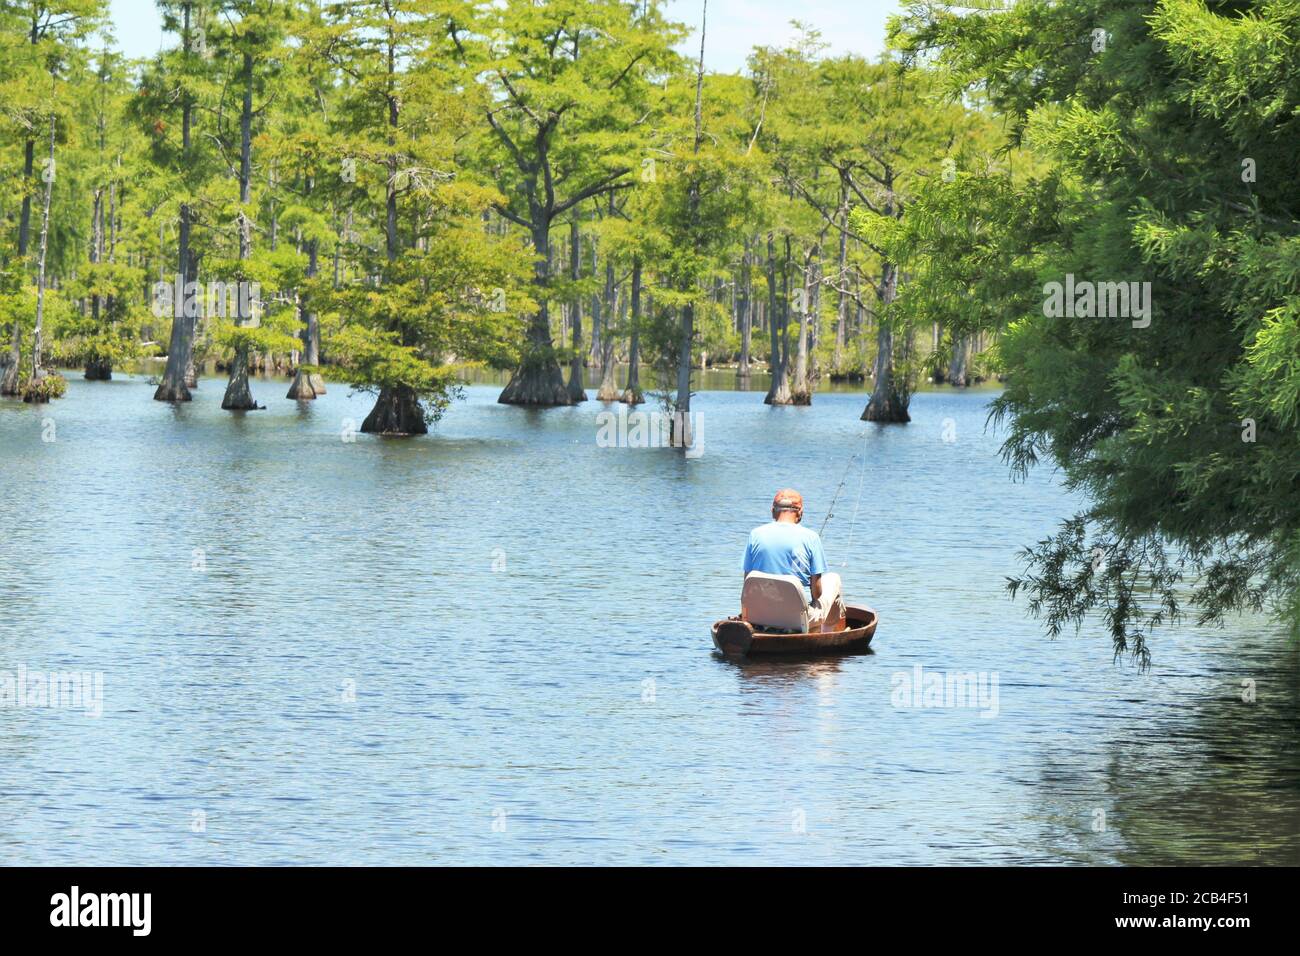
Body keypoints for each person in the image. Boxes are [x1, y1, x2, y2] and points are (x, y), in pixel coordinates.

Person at [742, 488, 845, 630]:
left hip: (759, 617)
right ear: (800, 512)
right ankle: (827, 634)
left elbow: (748, 585)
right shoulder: (811, 538)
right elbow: (817, 593)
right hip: (797, 620)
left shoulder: (755, 535)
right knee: (834, 579)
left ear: (773, 511)